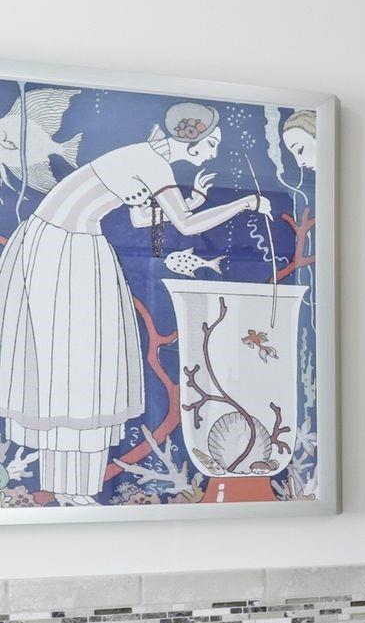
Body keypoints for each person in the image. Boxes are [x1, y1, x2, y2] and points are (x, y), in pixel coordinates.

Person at [0, 101, 270, 504]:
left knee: (80, 371)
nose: (214, 152)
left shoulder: (146, 159)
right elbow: (185, 226)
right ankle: (68, 487)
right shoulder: (153, 164)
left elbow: (145, 221)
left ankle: (75, 488)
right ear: (191, 145)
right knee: (77, 369)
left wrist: (191, 199)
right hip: (64, 250)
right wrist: (246, 203)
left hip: (68, 245)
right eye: (212, 144)